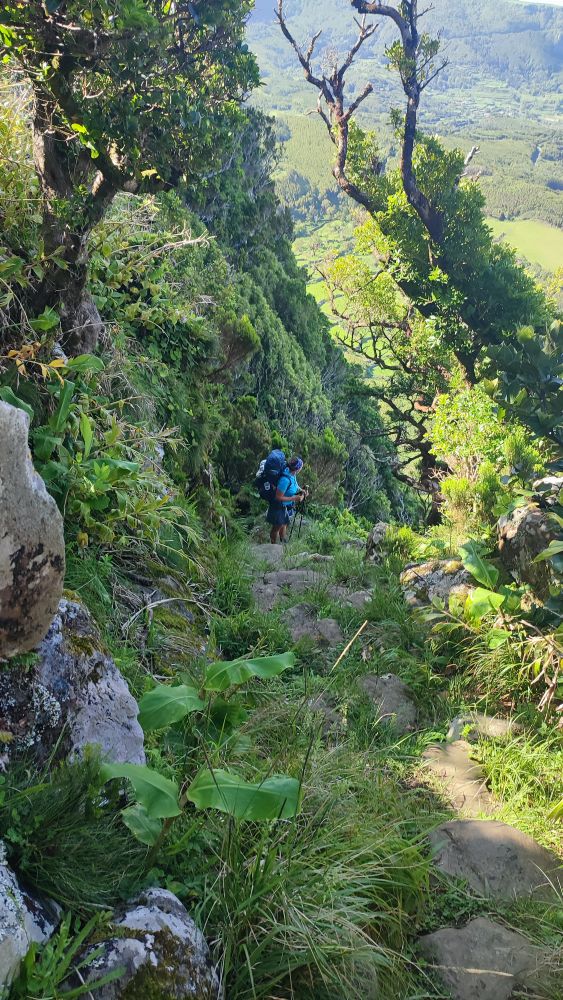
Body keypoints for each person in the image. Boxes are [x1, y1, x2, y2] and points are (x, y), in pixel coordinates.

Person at [267, 456, 306, 544]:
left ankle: (283, 541)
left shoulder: (293, 474)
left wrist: (301, 490)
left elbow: (294, 485)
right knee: (277, 527)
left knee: (284, 523)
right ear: (297, 469)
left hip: (287, 505)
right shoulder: (285, 480)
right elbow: (278, 497)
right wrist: (295, 498)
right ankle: (273, 546)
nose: (301, 468)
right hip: (278, 506)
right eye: (301, 466)